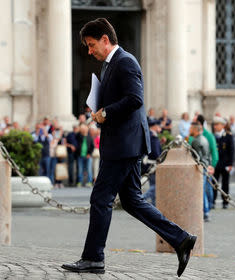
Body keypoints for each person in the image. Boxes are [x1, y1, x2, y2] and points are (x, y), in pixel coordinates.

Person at [62, 18, 196, 277]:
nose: (89, 51)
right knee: (133, 201)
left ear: (105, 39)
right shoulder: (110, 65)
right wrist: (99, 110)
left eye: (91, 45)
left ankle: (93, 258)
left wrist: (106, 113)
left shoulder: (126, 61)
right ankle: (181, 239)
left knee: (100, 199)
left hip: (124, 145)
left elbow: (135, 99)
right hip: (123, 143)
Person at [189, 122, 212, 221]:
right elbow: (208, 154)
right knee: (205, 190)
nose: (189, 130)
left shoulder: (195, 141)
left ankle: (205, 212)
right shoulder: (205, 139)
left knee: (200, 191)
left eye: (190, 128)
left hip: (200, 168)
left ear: (194, 130)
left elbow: (197, 157)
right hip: (206, 166)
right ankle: (207, 209)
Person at [213, 116, 234, 209]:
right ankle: (212, 201)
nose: (215, 126)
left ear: (222, 126)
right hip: (216, 164)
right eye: (215, 124)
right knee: (214, 183)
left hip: (225, 164)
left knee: (225, 183)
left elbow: (231, 151)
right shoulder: (213, 136)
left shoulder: (228, 136)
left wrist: (230, 164)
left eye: (217, 124)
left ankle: (225, 202)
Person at [142, 119, 162, 206]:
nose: (160, 128)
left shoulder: (151, 135)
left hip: (149, 164)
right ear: (154, 126)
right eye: (158, 126)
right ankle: (141, 198)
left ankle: (154, 206)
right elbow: (155, 153)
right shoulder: (152, 136)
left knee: (153, 186)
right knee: (156, 186)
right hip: (152, 164)